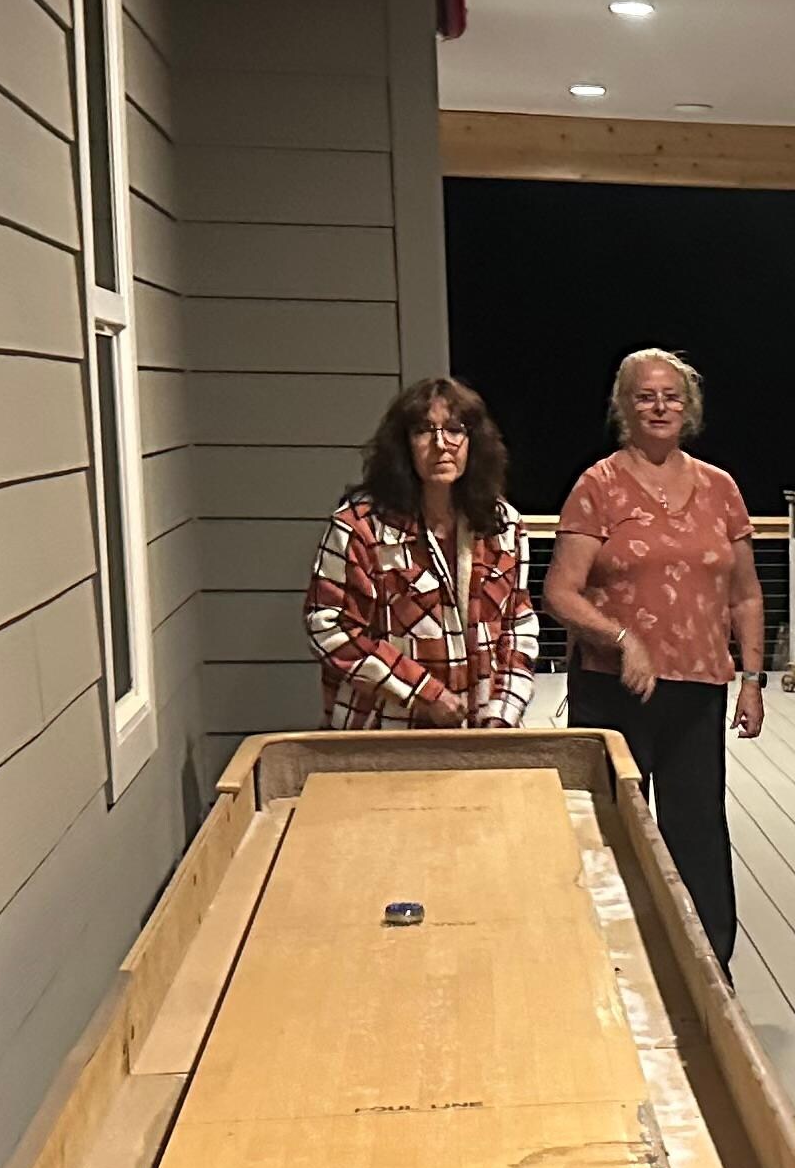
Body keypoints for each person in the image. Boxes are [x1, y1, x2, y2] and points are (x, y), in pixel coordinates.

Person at [543, 347, 767, 967]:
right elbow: (560, 590)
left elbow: (746, 595)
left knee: (698, 834)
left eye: (672, 395)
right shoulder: (598, 485)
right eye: (646, 395)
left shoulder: (720, 488)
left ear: (688, 407)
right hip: (615, 688)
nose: (660, 405)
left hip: (698, 688)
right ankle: (614, 964)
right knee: (617, 830)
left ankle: (708, 972)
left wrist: (752, 680)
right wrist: (621, 639)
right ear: (625, 407)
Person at [301, 377, 537, 734]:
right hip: (381, 734)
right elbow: (328, 626)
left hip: (482, 735)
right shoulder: (359, 527)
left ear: (473, 442)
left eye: (455, 429)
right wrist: (422, 692)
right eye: (425, 431)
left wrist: (503, 713)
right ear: (403, 444)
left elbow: (519, 625)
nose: (442, 444)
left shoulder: (503, 525)